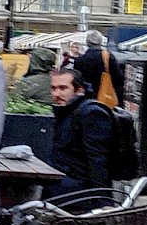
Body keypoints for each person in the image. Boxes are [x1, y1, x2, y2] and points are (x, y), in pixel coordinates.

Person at [46, 68, 115, 209]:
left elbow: (98, 160)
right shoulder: (66, 110)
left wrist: (104, 202)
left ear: (79, 90)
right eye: (53, 88)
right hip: (66, 183)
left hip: (79, 190)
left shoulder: (90, 113)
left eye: (63, 88)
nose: (56, 94)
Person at [69, 30, 126, 107]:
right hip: (106, 99)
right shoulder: (108, 57)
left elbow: (77, 81)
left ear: (87, 42)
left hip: (86, 100)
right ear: (100, 42)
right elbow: (119, 79)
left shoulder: (79, 61)